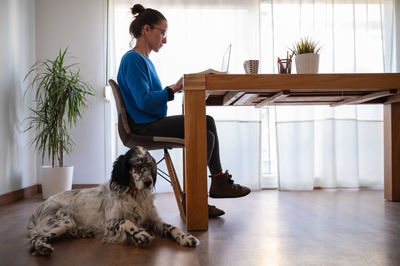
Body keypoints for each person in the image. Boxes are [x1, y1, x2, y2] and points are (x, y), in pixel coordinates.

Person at [117, 4, 250, 218]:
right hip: (141, 127)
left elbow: (148, 99)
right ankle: (198, 197)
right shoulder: (133, 59)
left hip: (148, 122)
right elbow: (144, 102)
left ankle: (217, 181)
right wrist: (173, 89)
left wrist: (172, 90)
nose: (165, 39)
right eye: (163, 33)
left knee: (206, 122)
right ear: (146, 30)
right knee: (204, 130)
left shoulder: (144, 61)